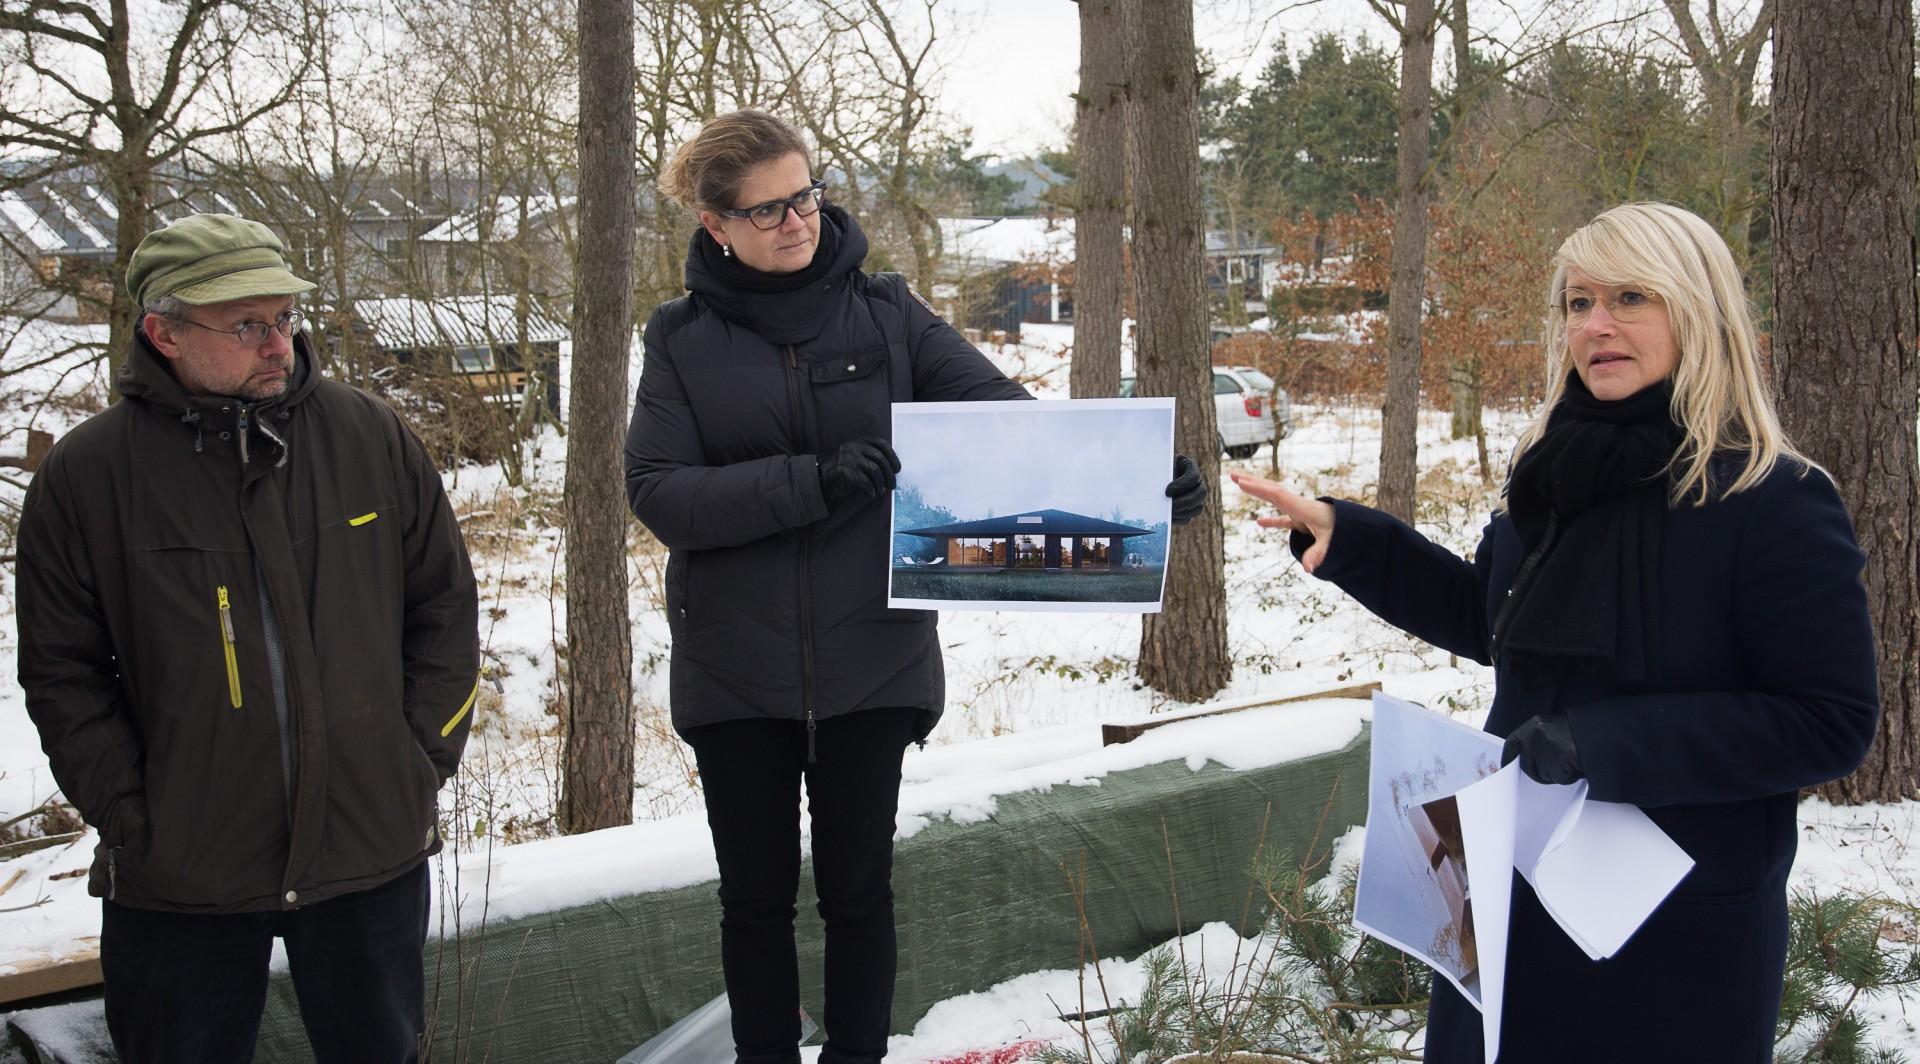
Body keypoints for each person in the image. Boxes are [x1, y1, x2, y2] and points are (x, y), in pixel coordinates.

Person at [624, 109, 1207, 1064]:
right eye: (766, 211)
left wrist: (1132, 487)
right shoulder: (682, 340)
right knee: (755, 901)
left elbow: (1010, 432)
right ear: (714, 226)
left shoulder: (887, 313)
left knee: (859, 893)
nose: (797, 221)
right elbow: (661, 493)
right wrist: (812, 482)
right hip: (735, 671)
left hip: (871, 659)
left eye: (805, 196)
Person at [1233, 202, 1878, 1063]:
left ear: (1699, 309)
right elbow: (1495, 619)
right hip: (1503, 892)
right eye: (1578, 303)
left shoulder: (1773, 499)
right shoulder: (1556, 468)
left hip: (1666, 929)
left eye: (1630, 298)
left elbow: (1828, 720)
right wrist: (1355, 541)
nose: (1596, 325)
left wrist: (1601, 744)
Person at [15, 213, 481, 1064]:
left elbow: (445, 608)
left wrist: (414, 763)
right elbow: (61, 674)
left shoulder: (368, 437)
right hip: (182, 874)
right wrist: (131, 816)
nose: (278, 343)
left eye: (285, 318)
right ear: (163, 333)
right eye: (246, 325)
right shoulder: (87, 477)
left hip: (366, 849)